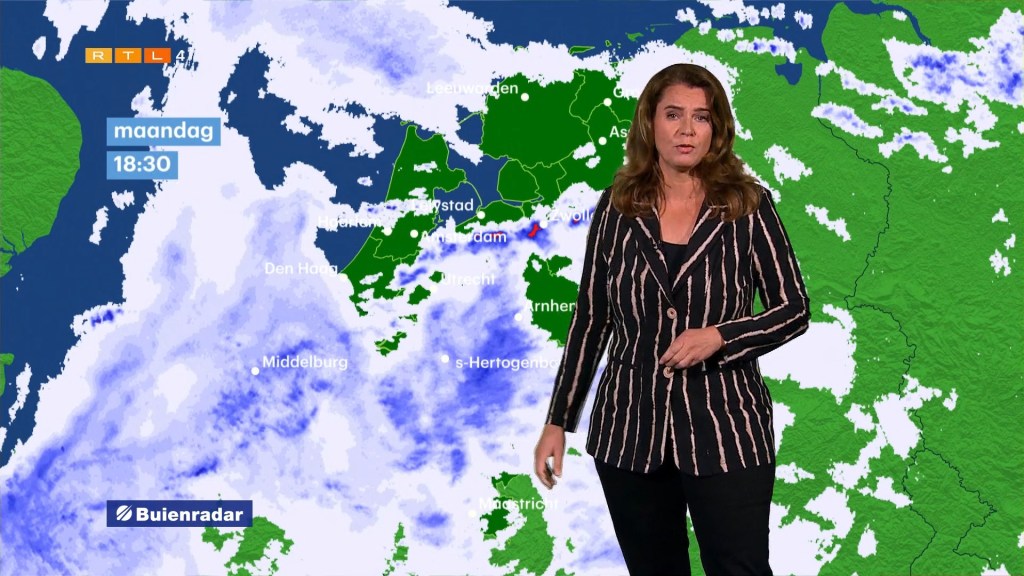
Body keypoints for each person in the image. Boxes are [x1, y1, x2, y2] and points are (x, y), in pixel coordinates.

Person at [533, 63, 810, 576]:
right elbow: (591, 318)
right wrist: (558, 421)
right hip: (628, 432)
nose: (687, 130)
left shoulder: (749, 206)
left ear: (716, 128)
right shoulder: (618, 207)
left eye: (701, 117)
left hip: (726, 430)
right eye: (673, 115)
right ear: (650, 123)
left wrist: (721, 336)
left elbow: (793, 309)